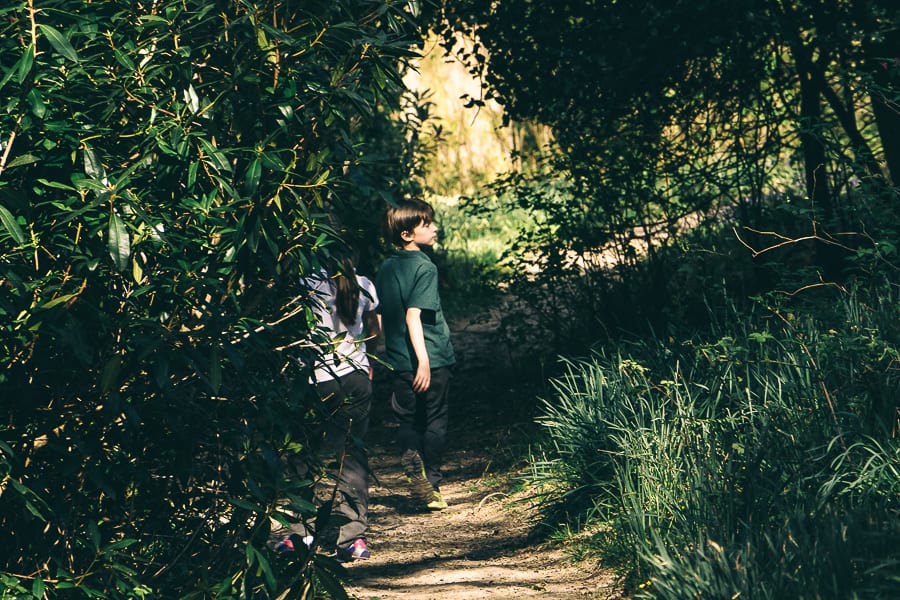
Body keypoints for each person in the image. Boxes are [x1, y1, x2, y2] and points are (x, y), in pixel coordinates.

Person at [277, 251, 380, 562]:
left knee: (302, 454)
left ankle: (300, 532)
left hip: (315, 380)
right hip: (356, 377)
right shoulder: (364, 285)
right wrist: (368, 360)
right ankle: (353, 537)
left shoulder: (304, 285)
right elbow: (375, 330)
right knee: (350, 454)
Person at [375, 199, 456, 511]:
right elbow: (413, 316)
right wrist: (424, 361)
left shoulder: (385, 267)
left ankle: (411, 456)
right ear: (408, 234)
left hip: (399, 361)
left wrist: (373, 354)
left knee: (409, 419)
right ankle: (432, 487)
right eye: (426, 224)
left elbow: (379, 315)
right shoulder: (425, 267)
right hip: (431, 358)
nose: (434, 228)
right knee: (435, 420)